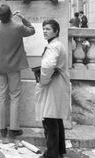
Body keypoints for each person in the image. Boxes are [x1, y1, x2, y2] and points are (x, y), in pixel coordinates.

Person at [0, 4, 35, 138]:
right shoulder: (18, 27)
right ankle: (14, 128)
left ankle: (2, 128)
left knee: (1, 96)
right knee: (14, 96)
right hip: (14, 67)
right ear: (10, 15)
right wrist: (22, 18)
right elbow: (32, 30)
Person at [36, 19, 70, 158]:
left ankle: (51, 154)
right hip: (57, 85)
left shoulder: (53, 47)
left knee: (50, 122)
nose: (45, 31)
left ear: (56, 31)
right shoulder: (56, 44)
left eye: (48, 29)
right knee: (56, 120)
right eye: (44, 28)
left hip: (52, 86)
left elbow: (48, 66)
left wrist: (42, 81)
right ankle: (59, 152)